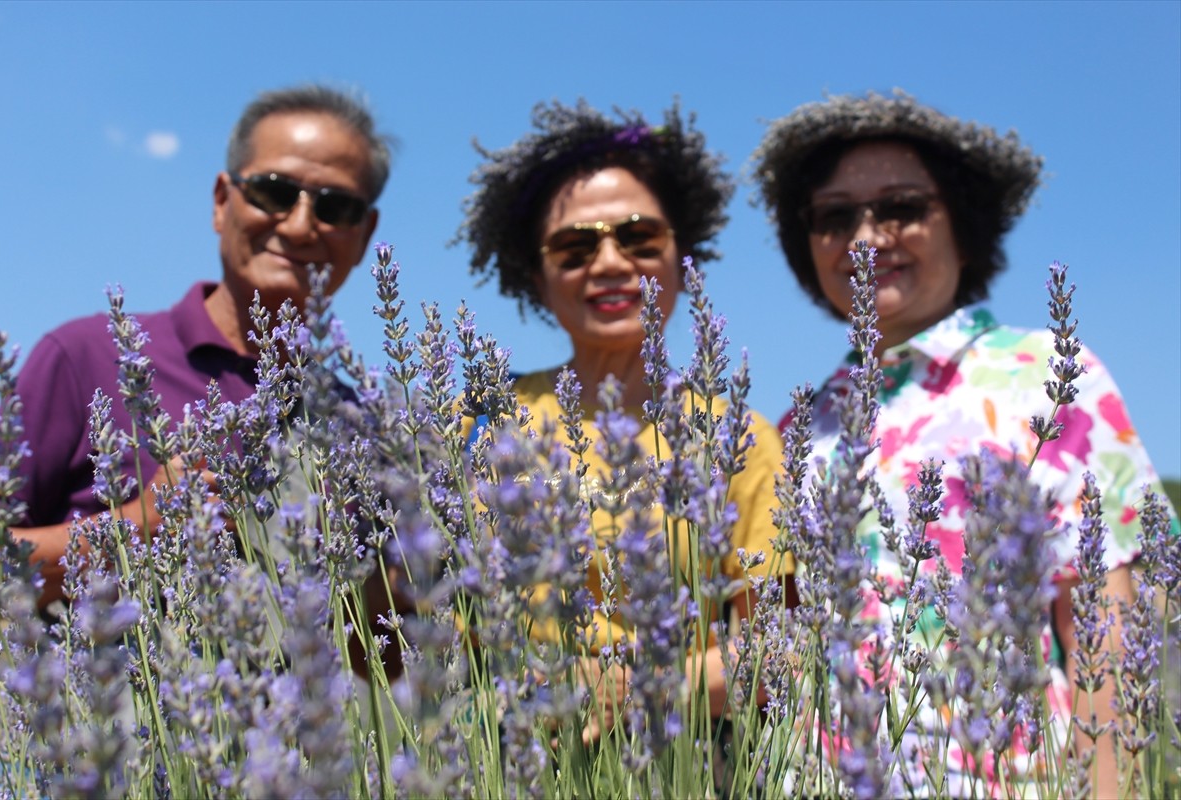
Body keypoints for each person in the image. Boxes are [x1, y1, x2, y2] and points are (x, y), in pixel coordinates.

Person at [751, 90, 1178, 797]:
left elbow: (1112, 625)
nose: (867, 238)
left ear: (964, 225)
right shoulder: (798, 426)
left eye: (902, 207)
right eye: (834, 217)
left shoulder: (1047, 373)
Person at [0, 84, 386, 608]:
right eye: (273, 191)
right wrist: (137, 528)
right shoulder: (86, 357)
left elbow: (388, 665)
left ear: (366, 232)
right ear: (223, 201)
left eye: (337, 206)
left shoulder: (364, 423)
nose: (301, 224)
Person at [457, 99, 789, 734]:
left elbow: (780, 650)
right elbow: (419, 634)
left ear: (680, 258)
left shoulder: (739, 436)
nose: (610, 263)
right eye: (575, 246)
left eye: (638, 237)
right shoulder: (477, 422)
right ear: (535, 275)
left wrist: (643, 689)